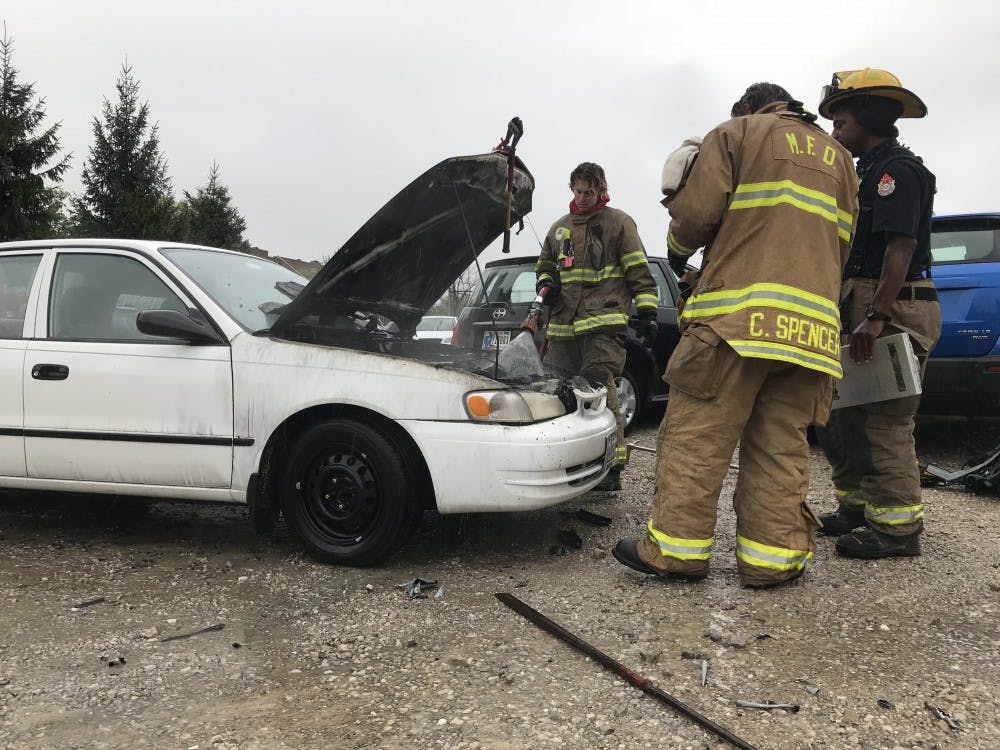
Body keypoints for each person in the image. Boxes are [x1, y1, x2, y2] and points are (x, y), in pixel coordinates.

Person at [612, 83, 858, 588]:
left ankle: (675, 553)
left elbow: (692, 223)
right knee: (780, 447)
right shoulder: (841, 159)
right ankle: (772, 562)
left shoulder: (736, 133)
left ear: (748, 106)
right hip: (810, 336)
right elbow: (842, 246)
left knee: (696, 439)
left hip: (734, 326)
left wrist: (681, 250)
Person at [813, 69, 940, 559]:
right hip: (860, 303)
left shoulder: (897, 172)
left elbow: (900, 244)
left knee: (885, 420)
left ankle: (897, 530)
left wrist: (878, 314)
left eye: (840, 118)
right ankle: (857, 509)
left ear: (868, 115)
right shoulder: (864, 171)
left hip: (894, 307)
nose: (834, 128)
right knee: (841, 418)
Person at [535, 162, 659, 492]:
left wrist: (647, 313)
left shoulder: (618, 223)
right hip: (563, 329)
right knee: (558, 396)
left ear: (601, 189)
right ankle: (563, 463)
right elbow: (545, 266)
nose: (583, 198)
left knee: (602, 395)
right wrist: (548, 283)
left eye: (589, 192)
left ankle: (612, 469)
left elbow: (638, 271)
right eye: (577, 191)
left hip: (603, 328)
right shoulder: (559, 229)